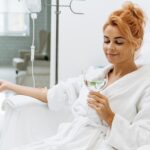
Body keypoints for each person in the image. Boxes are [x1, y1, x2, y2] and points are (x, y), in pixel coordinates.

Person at [0, 1, 150, 150]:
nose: (110, 48)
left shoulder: (144, 85)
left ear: (136, 43)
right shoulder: (94, 76)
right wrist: (8, 85)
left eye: (118, 42)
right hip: (68, 140)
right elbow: (52, 95)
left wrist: (110, 117)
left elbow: (143, 138)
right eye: (106, 40)